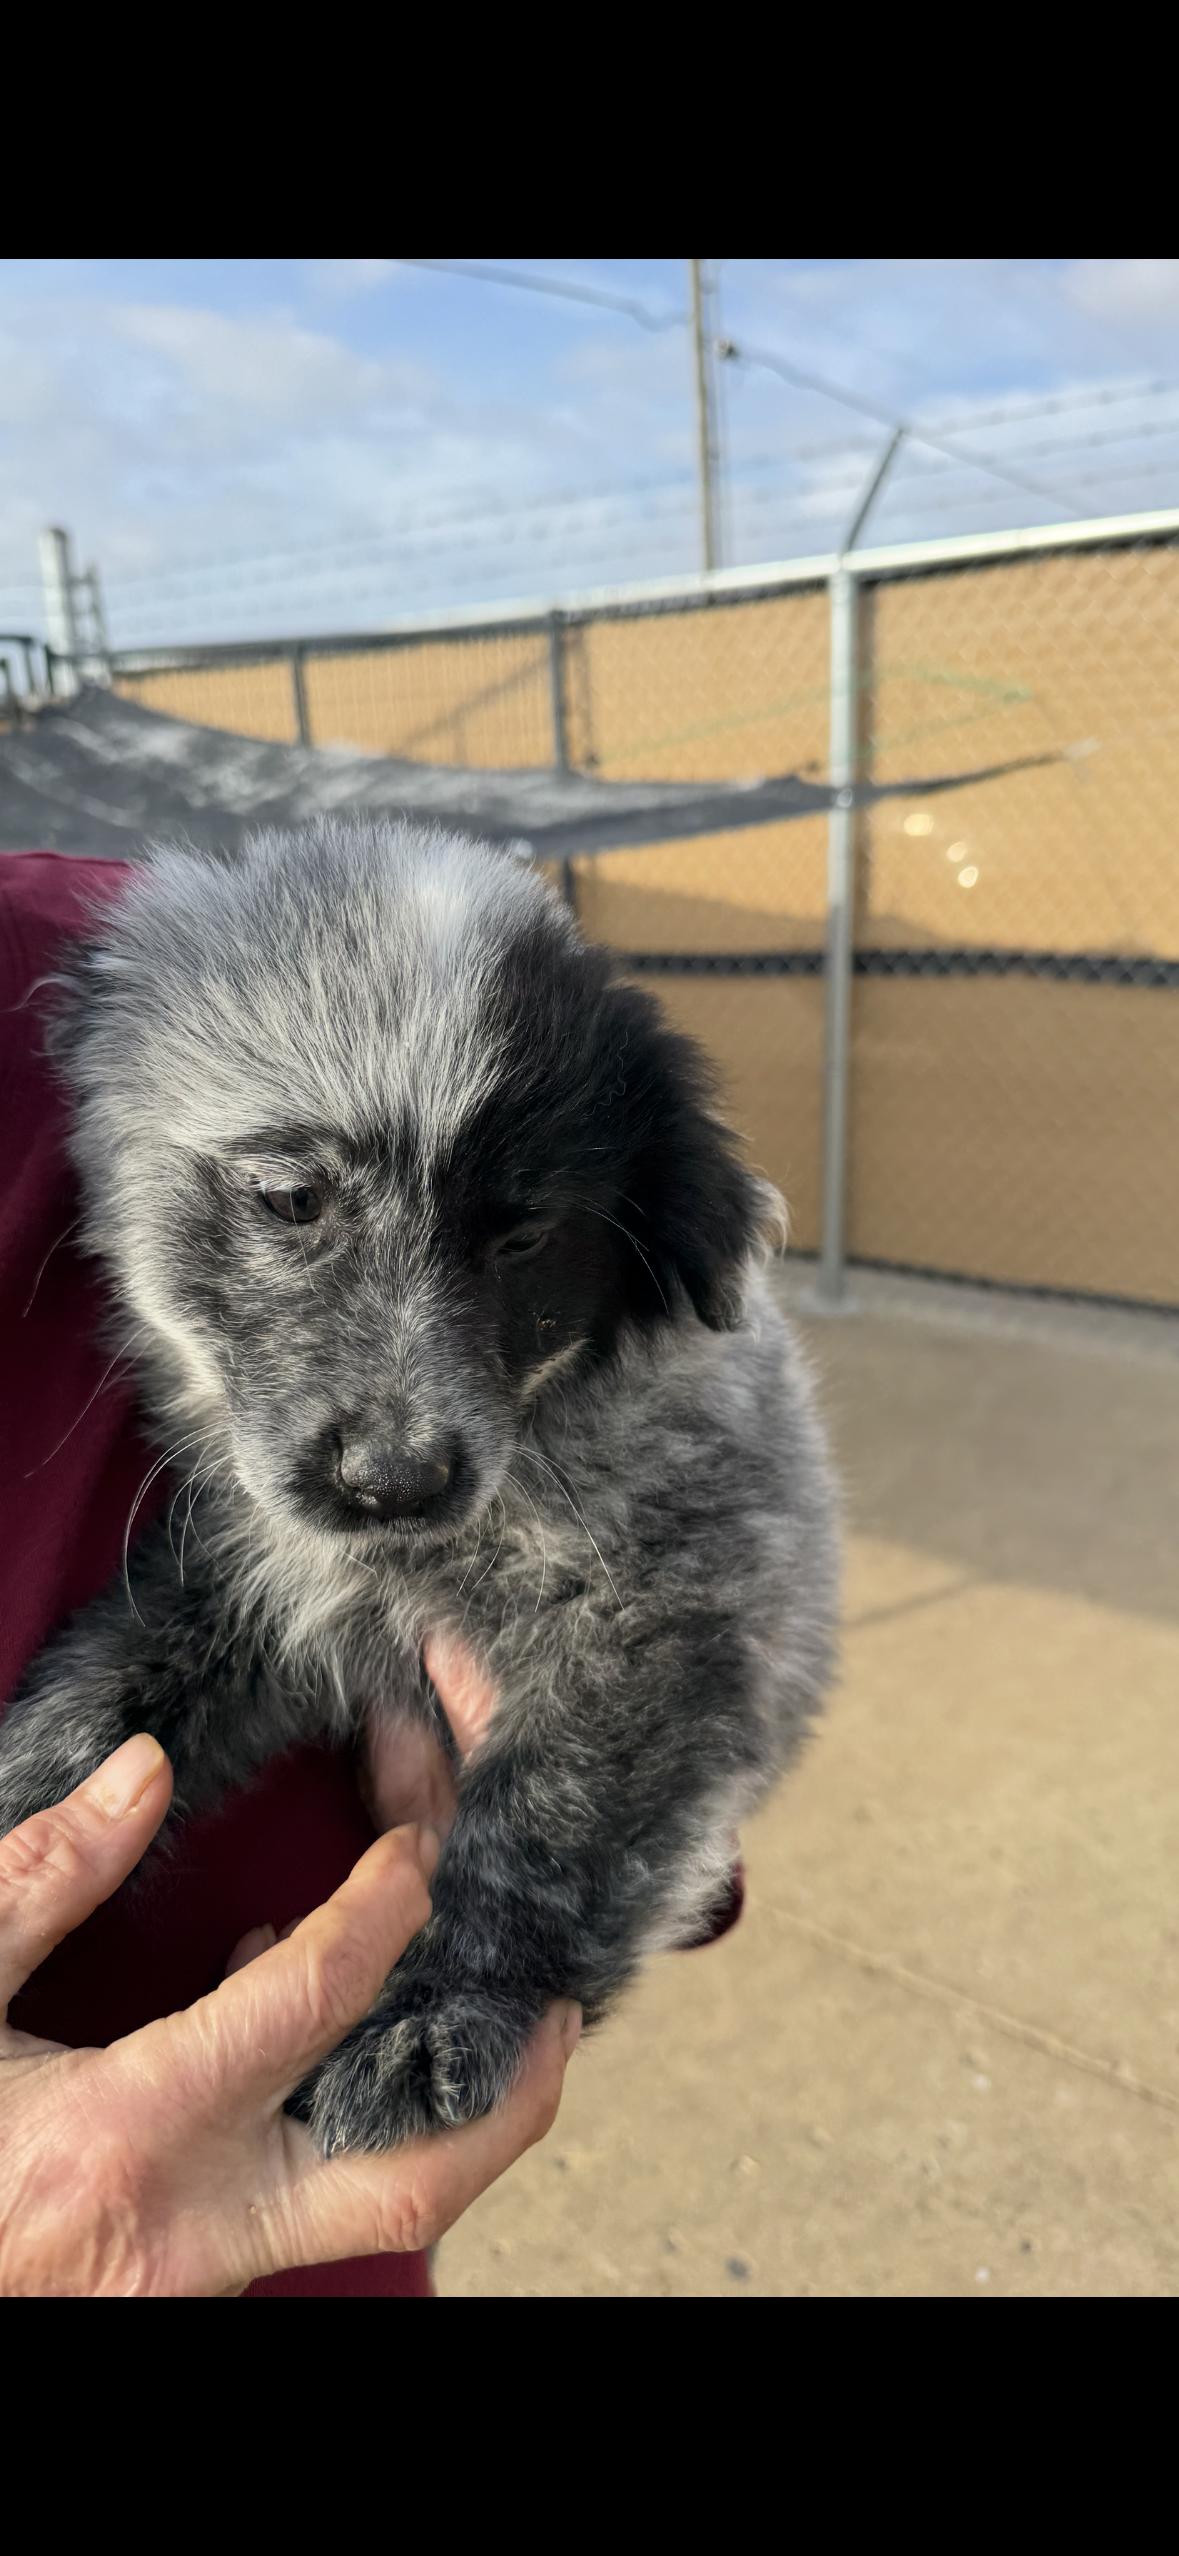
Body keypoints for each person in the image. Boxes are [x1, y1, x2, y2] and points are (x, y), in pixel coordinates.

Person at [0, 847, 738, 2299]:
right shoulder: (149, 985)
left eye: (513, 1237)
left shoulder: (109, 937)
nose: (403, 1436)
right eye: (291, 1204)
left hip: (280, 2208)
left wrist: (521, 1893)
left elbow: (679, 1623)